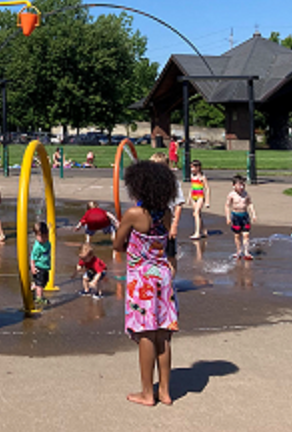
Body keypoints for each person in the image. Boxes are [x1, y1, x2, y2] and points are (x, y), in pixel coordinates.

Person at [113, 160, 179, 407]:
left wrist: (119, 230)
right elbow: (168, 243)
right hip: (163, 276)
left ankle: (146, 393)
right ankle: (164, 391)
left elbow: (118, 245)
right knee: (163, 334)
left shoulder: (134, 215)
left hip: (141, 279)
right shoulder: (166, 213)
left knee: (145, 334)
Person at [150, 152, 185, 275]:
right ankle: (155, 282)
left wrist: (174, 226)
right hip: (152, 224)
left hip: (167, 224)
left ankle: (170, 284)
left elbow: (178, 204)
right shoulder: (148, 183)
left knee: (170, 255)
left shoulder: (172, 183)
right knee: (152, 255)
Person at [225, 175, 256, 260]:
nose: (241, 187)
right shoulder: (231, 195)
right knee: (237, 235)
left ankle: (246, 252)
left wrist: (253, 214)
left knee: (246, 234)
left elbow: (250, 204)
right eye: (239, 185)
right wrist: (228, 217)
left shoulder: (246, 194)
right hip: (236, 216)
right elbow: (227, 206)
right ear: (234, 185)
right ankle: (238, 251)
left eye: (243, 185)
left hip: (245, 216)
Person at [30, 221, 52, 306]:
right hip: (38, 266)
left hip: (45, 266)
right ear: (36, 236)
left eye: (45, 236)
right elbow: (32, 257)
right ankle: (39, 298)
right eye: (41, 236)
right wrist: (32, 267)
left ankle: (34, 285)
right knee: (40, 283)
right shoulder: (37, 246)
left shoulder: (47, 243)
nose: (43, 238)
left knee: (45, 281)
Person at [188, 159, 209, 239]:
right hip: (194, 196)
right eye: (191, 167)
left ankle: (197, 233)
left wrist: (207, 201)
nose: (191, 169)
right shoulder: (192, 176)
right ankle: (203, 230)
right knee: (197, 214)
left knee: (196, 213)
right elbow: (192, 187)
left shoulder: (202, 177)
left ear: (198, 168)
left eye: (193, 167)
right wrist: (189, 197)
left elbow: (207, 189)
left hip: (200, 196)